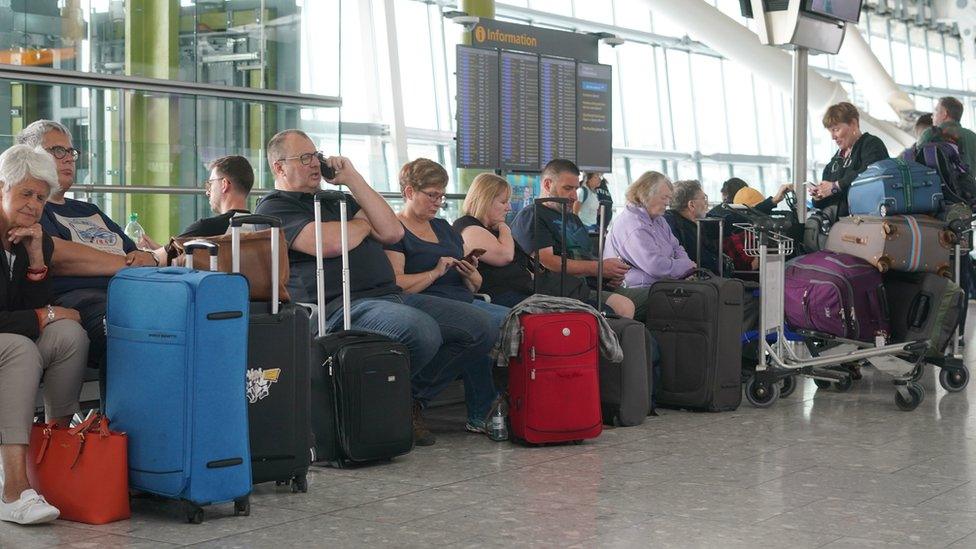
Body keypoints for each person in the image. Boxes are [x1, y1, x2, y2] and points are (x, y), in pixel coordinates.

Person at [254, 130, 497, 445]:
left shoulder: (337, 199)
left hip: (389, 297)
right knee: (421, 330)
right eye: (304, 158)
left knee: (481, 326)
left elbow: (392, 231)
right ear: (279, 168)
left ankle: (409, 400)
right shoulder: (274, 208)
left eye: (315, 155)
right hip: (339, 306)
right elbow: (328, 243)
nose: (314, 163)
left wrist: (352, 178)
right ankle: (395, 404)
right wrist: (361, 224)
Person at [16, 120, 155, 373]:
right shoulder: (33, 208)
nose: (69, 158)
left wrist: (148, 259)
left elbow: (135, 253)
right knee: (133, 330)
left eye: (71, 152)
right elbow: (55, 254)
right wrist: (127, 264)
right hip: (82, 302)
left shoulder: (90, 210)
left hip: (131, 293)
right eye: (58, 151)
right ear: (31, 158)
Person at [0, 144, 89, 525]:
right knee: (21, 348)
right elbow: (28, 317)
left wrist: (37, 260)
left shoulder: (28, 238)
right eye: (25, 194)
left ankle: (53, 460)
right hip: (8, 341)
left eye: (40, 198)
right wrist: (43, 314)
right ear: (1, 187)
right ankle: (13, 488)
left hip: (10, 334)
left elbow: (32, 308)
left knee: (70, 334)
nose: (34, 205)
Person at [453, 172, 634, 316]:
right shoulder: (468, 226)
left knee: (608, 312)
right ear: (484, 200)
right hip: (510, 296)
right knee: (599, 314)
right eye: (503, 202)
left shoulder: (494, 230)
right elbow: (505, 256)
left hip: (534, 290)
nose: (508, 208)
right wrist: (504, 228)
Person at [510, 159, 644, 318]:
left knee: (661, 297)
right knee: (624, 306)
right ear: (547, 185)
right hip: (564, 292)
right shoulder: (532, 216)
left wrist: (606, 276)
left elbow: (585, 258)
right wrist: (599, 268)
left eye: (576, 189)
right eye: (567, 188)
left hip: (592, 286)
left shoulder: (572, 218)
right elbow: (546, 262)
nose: (574, 196)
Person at [139, 155, 255, 264]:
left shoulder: (207, 228)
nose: (207, 192)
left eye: (210, 184)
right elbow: (174, 253)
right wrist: (160, 248)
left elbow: (158, 259)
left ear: (224, 184)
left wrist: (143, 251)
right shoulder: (260, 228)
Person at [603, 171, 695, 288]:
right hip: (637, 287)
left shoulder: (658, 219)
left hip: (663, 282)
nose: (667, 203)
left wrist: (684, 268)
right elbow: (656, 266)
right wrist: (686, 266)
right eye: (664, 197)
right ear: (645, 194)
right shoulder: (634, 225)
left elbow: (676, 247)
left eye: (669, 198)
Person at [808, 102, 889, 218]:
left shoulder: (871, 145)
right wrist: (818, 195)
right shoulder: (835, 161)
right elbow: (824, 202)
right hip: (836, 224)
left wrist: (836, 186)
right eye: (830, 131)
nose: (832, 137)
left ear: (853, 123)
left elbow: (869, 173)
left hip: (863, 221)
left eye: (836, 129)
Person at [664, 179, 726, 275]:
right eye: (704, 199)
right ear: (691, 205)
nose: (706, 204)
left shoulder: (673, 223)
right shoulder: (684, 229)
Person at [920, 96, 976, 169]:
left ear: (945, 114)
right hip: (970, 180)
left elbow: (915, 160)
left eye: (936, 110)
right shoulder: (972, 136)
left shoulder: (931, 133)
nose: (932, 116)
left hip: (939, 180)